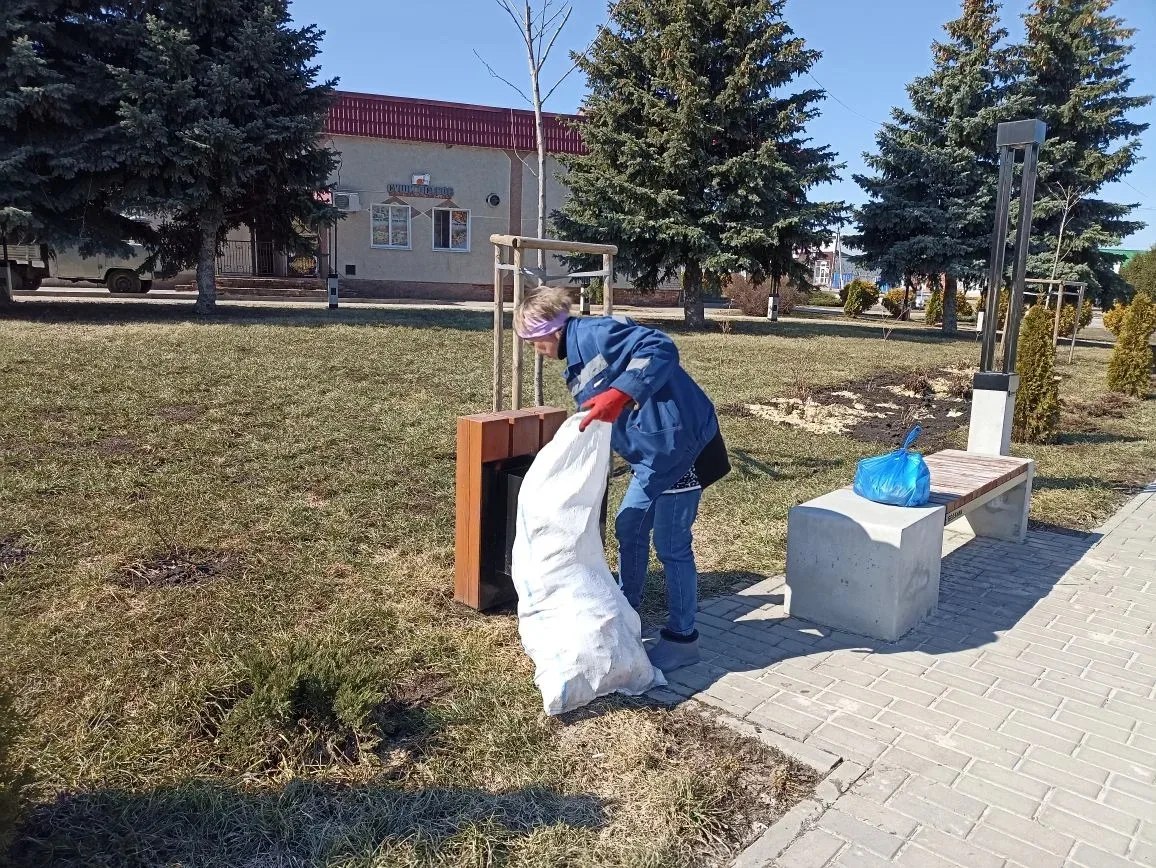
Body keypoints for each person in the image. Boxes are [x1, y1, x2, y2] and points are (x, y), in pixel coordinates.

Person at [513, 286, 730, 672]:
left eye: (533, 341)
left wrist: (620, 394)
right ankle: (627, 615)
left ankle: (683, 639)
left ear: (550, 330)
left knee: (672, 544)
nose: (535, 350)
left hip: (682, 446)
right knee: (629, 527)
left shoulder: (596, 333)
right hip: (651, 455)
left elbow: (660, 347)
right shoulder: (575, 363)